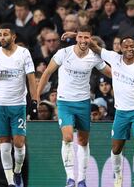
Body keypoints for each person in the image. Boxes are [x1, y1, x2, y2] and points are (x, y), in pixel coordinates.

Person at [37, 25, 111, 187]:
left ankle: (82, 179)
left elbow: (111, 73)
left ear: (90, 39)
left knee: (83, 141)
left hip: (84, 103)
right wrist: (37, 95)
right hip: (64, 101)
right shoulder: (64, 53)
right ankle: (70, 178)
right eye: (81, 37)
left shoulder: (94, 56)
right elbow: (47, 73)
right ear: (76, 37)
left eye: (87, 38)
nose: (83, 40)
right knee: (68, 136)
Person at [84, 35, 134, 187]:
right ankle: (118, 177)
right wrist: (75, 35)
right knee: (116, 148)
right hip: (121, 112)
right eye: (127, 46)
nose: (130, 49)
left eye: (132, 46)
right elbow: (95, 47)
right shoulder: (114, 58)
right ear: (121, 48)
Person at [0, 23, 38, 187]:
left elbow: (31, 78)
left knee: (19, 144)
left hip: (18, 104)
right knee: (4, 145)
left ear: (13, 36)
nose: (2, 38)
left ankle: (17, 171)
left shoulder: (23, 53)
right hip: (0, 105)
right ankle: (11, 182)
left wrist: (34, 101)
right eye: (0, 35)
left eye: (5, 34)